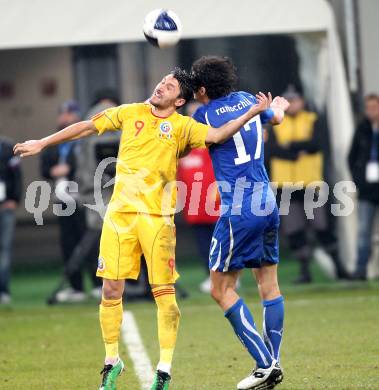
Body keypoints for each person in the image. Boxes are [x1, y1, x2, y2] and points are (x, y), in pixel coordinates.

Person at [14, 68, 272, 390]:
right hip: (119, 216)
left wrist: (252, 112)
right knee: (110, 289)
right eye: (162, 81)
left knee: (163, 294)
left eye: (170, 86)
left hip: (157, 219)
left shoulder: (183, 126)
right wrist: (43, 142)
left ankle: (163, 370)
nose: (161, 86)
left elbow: (218, 136)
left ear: (179, 100)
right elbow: (87, 126)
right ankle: (111, 361)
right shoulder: (130, 111)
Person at [191, 56, 289, 390]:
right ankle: (272, 364)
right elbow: (274, 117)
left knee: (221, 289)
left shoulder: (202, 114)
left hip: (240, 208)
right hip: (267, 201)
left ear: (203, 89)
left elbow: (211, 138)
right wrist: (281, 107)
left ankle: (265, 365)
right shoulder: (249, 98)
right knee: (269, 285)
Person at [267, 87, 349, 283]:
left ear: (302, 101)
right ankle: (304, 271)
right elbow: (271, 149)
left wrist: (290, 146)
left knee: (322, 225)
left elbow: (317, 143)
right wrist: (297, 152)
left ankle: (339, 267)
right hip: (285, 185)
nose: (292, 103)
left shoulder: (312, 119)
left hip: (310, 183)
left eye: (295, 100)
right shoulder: (276, 121)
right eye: (288, 100)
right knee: (294, 229)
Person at [40, 100, 88, 302]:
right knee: (68, 242)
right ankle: (77, 287)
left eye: (68, 113)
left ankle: (98, 283)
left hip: (84, 196)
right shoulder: (56, 141)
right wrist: (52, 170)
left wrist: (71, 168)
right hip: (62, 197)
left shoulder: (84, 138)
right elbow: (44, 166)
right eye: (63, 113)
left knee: (90, 240)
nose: (64, 117)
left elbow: (89, 162)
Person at [177, 101, 219, 293]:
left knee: (221, 240)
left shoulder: (215, 138)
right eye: (191, 113)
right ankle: (211, 275)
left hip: (215, 201)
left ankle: (225, 275)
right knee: (203, 243)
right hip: (193, 204)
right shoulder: (182, 144)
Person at [348, 94, 379, 280]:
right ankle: (360, 270)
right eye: (369, 108)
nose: (371, 111)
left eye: (374, 107)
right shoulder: (362, 129)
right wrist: (358, 180)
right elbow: (351, 157)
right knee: (364, 230)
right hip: (367, 189)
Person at [0, 136, 22, 304]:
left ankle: (3, 290)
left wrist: (14, 199)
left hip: (5, 206)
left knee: (4, 250)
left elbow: (17, 175)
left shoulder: (8, 148)